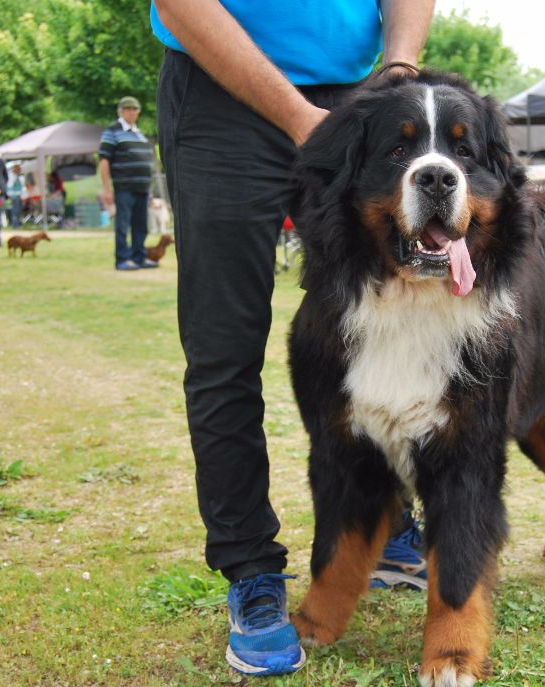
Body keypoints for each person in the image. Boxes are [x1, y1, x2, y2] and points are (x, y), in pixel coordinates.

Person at [151, 0, 434, 676]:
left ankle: (380, 521)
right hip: (219, 92)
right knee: (225, 348)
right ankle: (251, 570)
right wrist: (303, 120)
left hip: (357, 96)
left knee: (373, 331)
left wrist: (398, 70)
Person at [98, 96, 156, 270]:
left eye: (135, 109)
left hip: (143, 188)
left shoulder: (140, 134)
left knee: (141, 225)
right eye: (128, 109)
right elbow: (104, 161)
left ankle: (139, 257)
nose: (132, 112)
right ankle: (122, 259)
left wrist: (150, 191)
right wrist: (107, 189)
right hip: (124, 186)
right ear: (121, 111)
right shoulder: (112, 131)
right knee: (123, 224)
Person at [7, 163, 25, 227]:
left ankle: (18, 222)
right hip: (13, 196)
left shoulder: (19, 176)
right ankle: (14, 223)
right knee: (15, 210)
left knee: (18, 210)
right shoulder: (11, 176)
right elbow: (9, 186)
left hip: (19, 195)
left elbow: (22, 187)